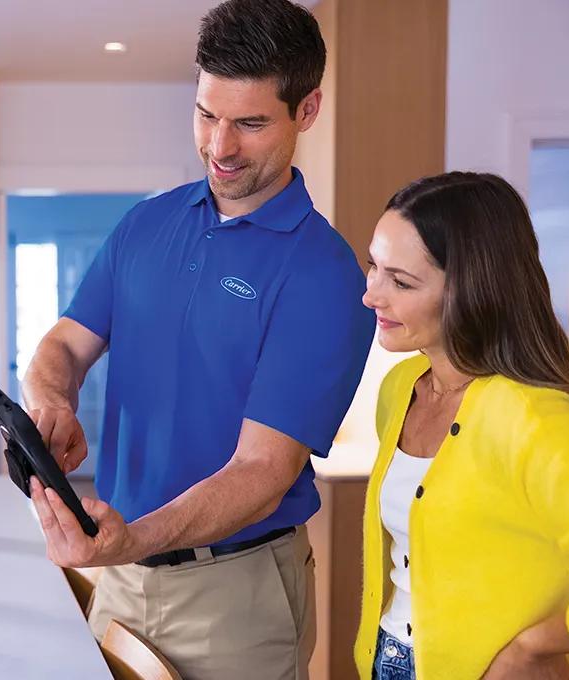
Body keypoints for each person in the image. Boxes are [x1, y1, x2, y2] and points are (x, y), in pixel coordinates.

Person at [23, 1, 375, 677]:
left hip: (234, 599)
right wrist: (53, 404)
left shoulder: (324, 275)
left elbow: (262, 474)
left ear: (307, 111)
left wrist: (129, 538)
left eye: (249, 123)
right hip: (120, 577)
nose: (219, 147)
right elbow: (63, 346)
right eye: (206, 114)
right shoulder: (145, 224)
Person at [354, 171, 569, 679]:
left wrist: (536, 648)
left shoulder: (532, 417)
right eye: (373, 267)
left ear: (470, 289)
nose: (371, 296)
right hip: (388, 660)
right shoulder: (400, 389)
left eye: (400, 281)